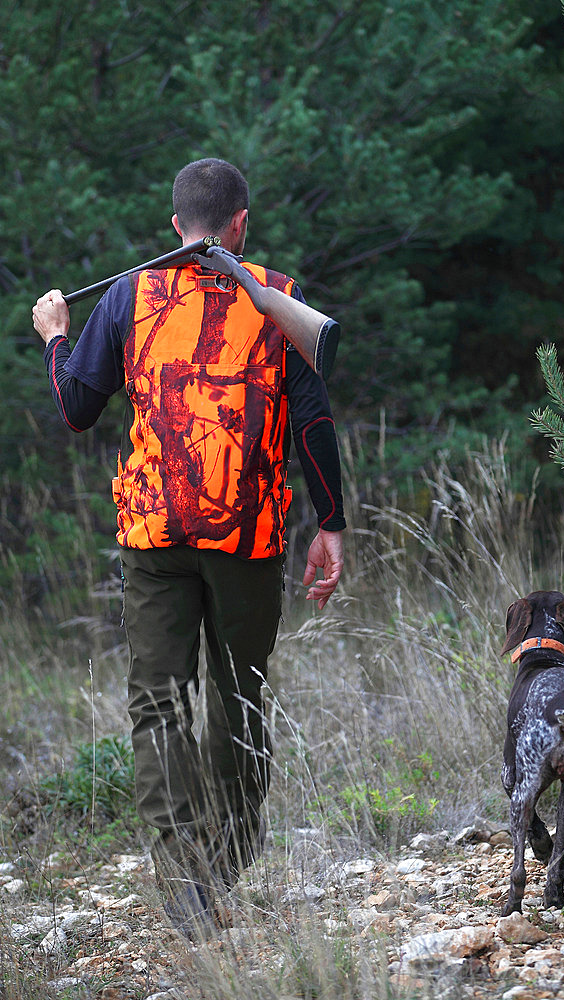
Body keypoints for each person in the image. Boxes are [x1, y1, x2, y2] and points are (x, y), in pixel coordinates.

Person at [33, 158, 346, 939]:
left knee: (157, 702)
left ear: (177, 226)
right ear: (240, 221)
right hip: (247, 540)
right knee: (236, 695)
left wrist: (54, 339)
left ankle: (181, 878)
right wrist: (331, 523)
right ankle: (225, 856)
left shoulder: (129, 295)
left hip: (154, 537)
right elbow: (311, 423)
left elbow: (75, 410)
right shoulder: (278, 298)